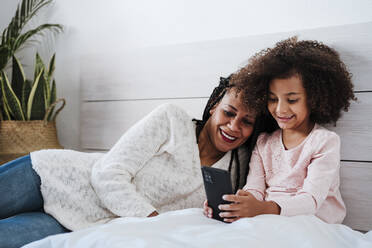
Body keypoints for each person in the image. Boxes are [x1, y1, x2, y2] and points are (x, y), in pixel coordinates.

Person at [0, 75, 275, 248]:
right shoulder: (172, 119)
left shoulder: (235, 172)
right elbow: (108, 174)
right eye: (229, 112)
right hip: (51, 176)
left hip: (79, 224)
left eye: (247, 122)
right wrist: (152, 221)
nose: (233, 126)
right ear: (215, 105)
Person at [204, 37, 356, 224]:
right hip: (268, 219)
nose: (280, 109)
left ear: (314, 99)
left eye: (291, 100)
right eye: (273, 99)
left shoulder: (324, 142)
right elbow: (255, 189)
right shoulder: (263, 143)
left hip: (312, 224)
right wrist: (237, 204)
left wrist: (262, 209)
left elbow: (310, 201)